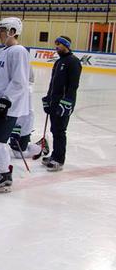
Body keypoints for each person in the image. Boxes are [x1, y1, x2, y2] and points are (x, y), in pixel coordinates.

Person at [0, 17, 30, 192]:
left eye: (3, 30)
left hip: (7, 107)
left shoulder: (19, 51)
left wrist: (5, 100)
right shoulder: (3, 52)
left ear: (13, 31)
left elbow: (20, 81)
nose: (0, 33)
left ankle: (5, 175)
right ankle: (2, 169)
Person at [41, 35, 82, 172]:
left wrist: (67, 102)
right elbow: (52, 83)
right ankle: (54, 155)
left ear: (66, 45)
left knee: (60, 131)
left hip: (63, 104)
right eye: (56, 43)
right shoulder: (58, 62)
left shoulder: (74, 62)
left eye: (59, 44)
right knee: (54, 130)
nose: (56, 46)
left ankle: (59, 159)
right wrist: (47, 98)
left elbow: (73, 85)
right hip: (54, 102)